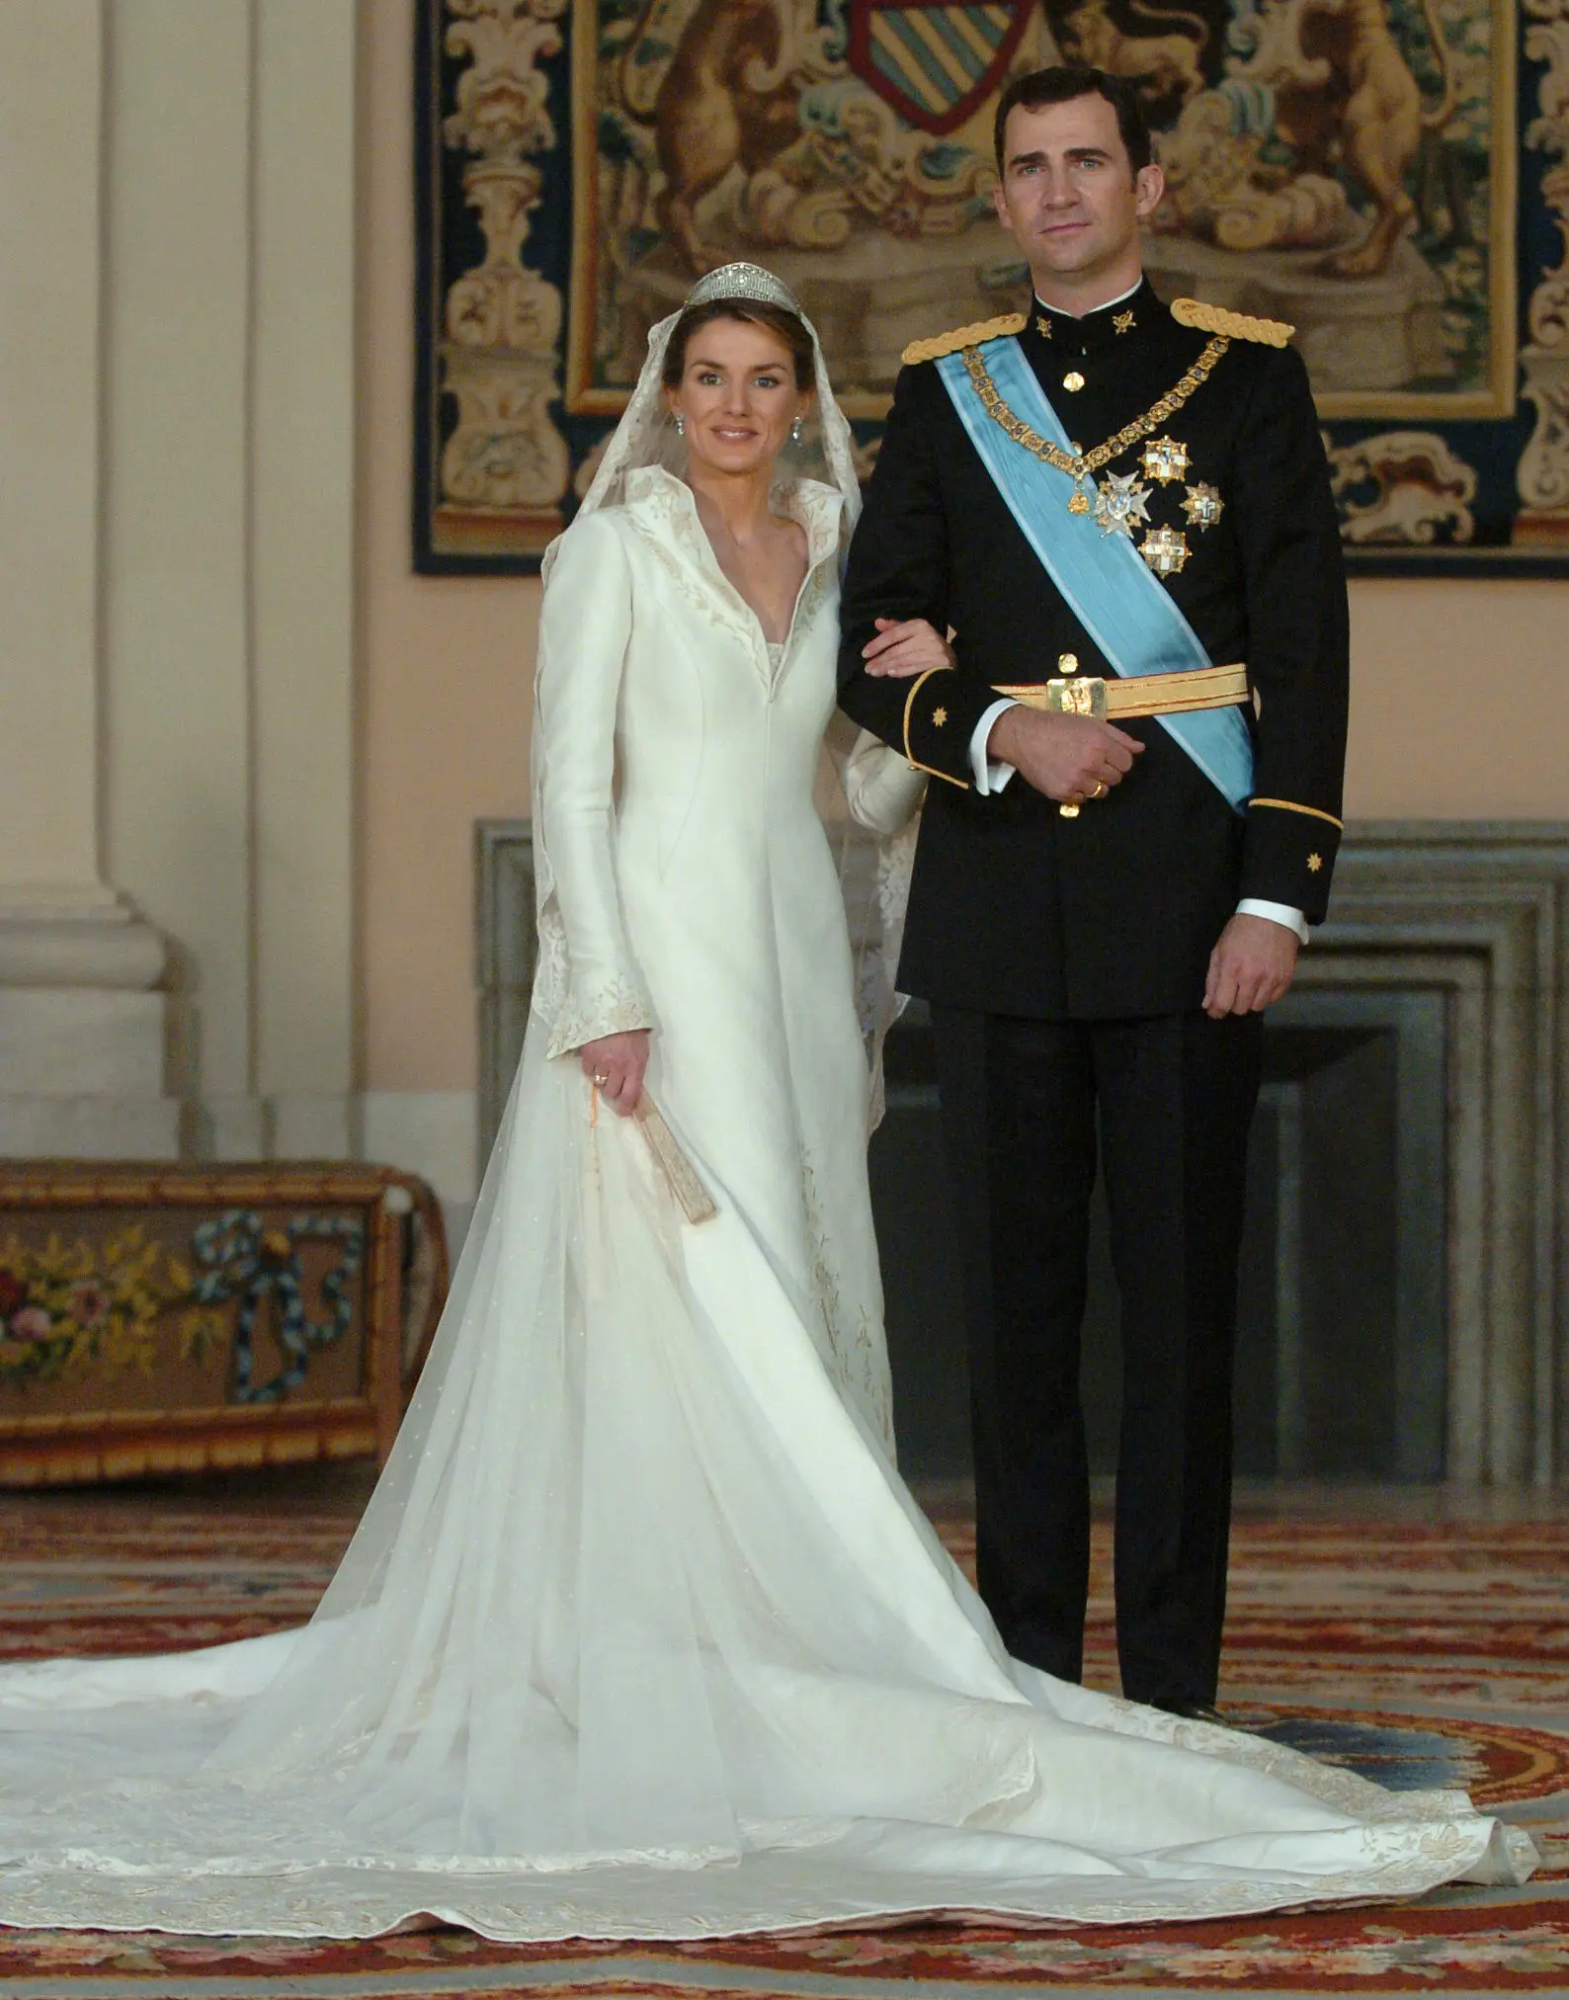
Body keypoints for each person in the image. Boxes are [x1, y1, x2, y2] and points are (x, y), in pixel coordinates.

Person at [0, 266, 1532, 1944]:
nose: (733, 406)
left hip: (795, 964)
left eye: (762, 380)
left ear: (803, 400)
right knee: (687, 1293)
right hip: (663, 964)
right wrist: (599, 998)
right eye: (708, 377)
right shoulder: (611, 551)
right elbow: (565, 784)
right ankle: (657, 1641)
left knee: (807, 1288)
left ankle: (801, 1635)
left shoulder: (831, 554)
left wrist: (944, 686)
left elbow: (863, 785)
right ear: (671, 392)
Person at [837, 65, 1348, 1721]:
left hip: (1189, 899)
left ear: (1147, 181)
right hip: (994, 906)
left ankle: (1172, 1710)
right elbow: (871, 641)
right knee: (1013, 1336)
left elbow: (1306, 655)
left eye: (1085, 163)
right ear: (1000, 199)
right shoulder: (944, 392)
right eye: (1026, 169)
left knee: (1180, 1336)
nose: (1056, 193)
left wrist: (1275, 899)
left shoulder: (1247, 382)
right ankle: (1036, 1699)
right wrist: (996, 723)